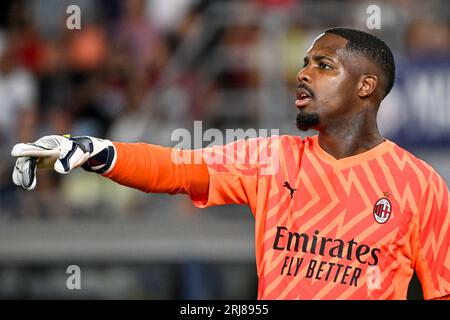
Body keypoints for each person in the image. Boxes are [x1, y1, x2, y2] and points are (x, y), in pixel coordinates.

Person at [11, 27, 449, 300]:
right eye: (304, 63)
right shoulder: (272, 158)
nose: (302, 74)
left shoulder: (420, 186)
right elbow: (179, 168)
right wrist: (100, 152)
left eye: (323, 65)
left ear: (366, 85)